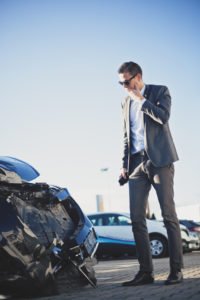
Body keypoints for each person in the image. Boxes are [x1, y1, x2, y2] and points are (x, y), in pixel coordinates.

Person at [118, 61, 183, 286]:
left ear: (138, 77)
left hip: (159, 161)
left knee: (168, 215)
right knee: (136, 219)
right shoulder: (125, 103)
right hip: (136, 165)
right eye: (120, 83)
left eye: (126, 81)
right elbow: (127, 136)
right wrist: (124, 165)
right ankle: (146, 272)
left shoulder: (159, 91)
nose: (124, 86)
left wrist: (142, 100)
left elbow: (163, 117)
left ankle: (176, 270)